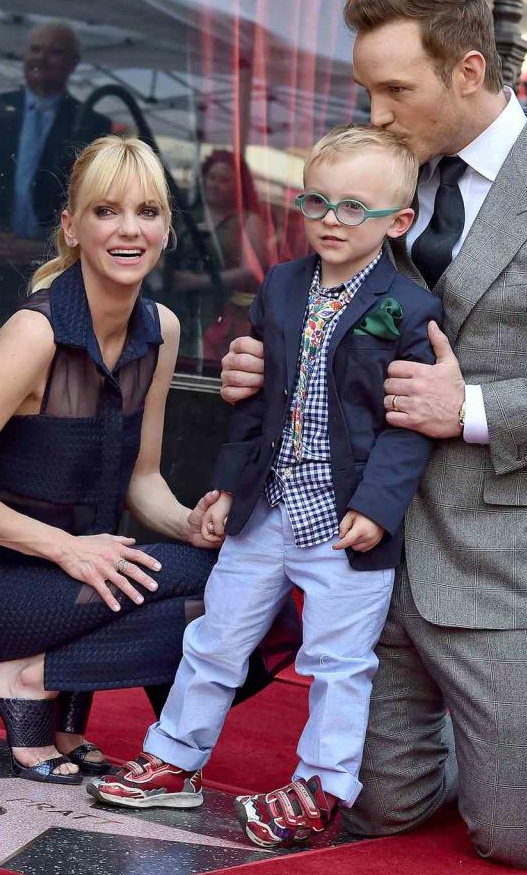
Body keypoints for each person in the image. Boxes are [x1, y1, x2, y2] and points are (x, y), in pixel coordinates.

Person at [219, 0, 527, 871]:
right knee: (377, 809)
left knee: (522, 840)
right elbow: (326, 325)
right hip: (366, 543)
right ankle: (516, 742)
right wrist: (269, 368)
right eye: (367, 89)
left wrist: (464, 407)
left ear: (470, 71)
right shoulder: (378, 176)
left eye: (397, 89)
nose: (376, 112)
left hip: (498, 557)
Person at [88, 125, 445, 849]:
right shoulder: (281, 285)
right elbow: (255, 403)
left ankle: (323, 784)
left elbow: (409, 428)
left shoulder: (408, 309)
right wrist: (225, 487)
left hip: (345, 521)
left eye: (355, 209)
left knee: (340, 661)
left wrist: (378, 507)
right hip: (267, 507)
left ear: (398, 223)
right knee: (216, 638)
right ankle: (174, 761)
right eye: (318, 202)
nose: (333, 221)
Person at [0, 136, 287, 787]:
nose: (129, 229)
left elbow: (142, 481)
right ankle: (22, 677)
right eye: (106, 211)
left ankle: (39, 678)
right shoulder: (35, 335)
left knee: (246, 573)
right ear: (72, 226)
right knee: (210, 586)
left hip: (82, 581)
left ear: (167, 229)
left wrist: (187, 523)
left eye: (147, 212)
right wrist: (66, 548)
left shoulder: (160, 331)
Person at [0, 22, 112, 324]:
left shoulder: (90, 124)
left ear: (73, 63)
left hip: (50, 273)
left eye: (54, 52)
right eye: (35, 49)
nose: (41, 58)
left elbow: (96, 201)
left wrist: (49, 244)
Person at [173, 150, 275, 364]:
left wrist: (199, 282)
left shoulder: (249, 221)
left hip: (226, 313)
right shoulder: (189, 214)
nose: (214, 184)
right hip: (181, 306)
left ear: (239, 186)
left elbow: (252, 272)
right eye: (211, 177)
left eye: (224, 180)